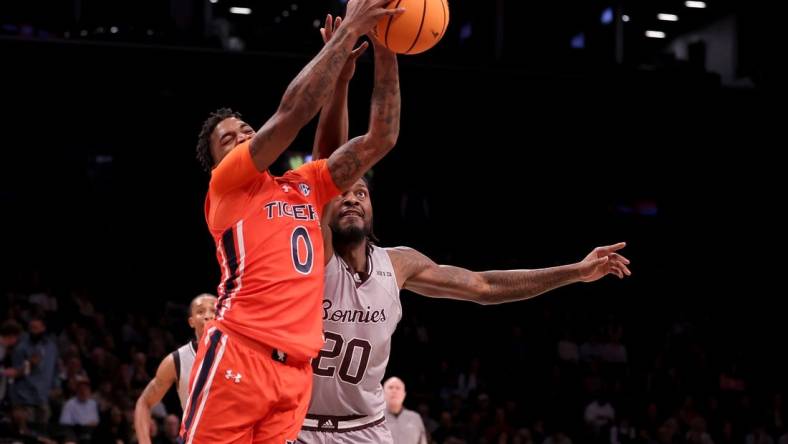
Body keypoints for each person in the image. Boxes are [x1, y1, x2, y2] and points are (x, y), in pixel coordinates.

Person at [297, 15, 632, 441]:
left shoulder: (397, 265)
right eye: (343, 193)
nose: (351, 198)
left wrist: (575, 272)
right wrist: (343, 79)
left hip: (367, 431)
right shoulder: (315, 255)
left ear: (374, 207)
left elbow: (484, 287)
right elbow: (328, 165)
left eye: (361, 194)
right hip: (302, 428)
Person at [182, 1, 404, 442]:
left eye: (245, 128)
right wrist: (346, 36)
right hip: (240, 355)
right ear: (220, 162)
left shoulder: (300, 185)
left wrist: (386, 47)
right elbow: (291, 115)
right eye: (230, 138)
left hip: (295, 376)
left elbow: (381, 138)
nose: (244, 136)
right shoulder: (226, 188)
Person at [134, 294, 217, 444]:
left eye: (214, 310)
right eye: (200, 311)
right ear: (191, 322)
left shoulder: (241, 354)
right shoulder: (177, 360)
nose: (208, 316)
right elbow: (144, 402)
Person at [383, 377, 428, 444]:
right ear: (383, 393)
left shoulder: (415, 417)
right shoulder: (376, 419)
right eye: (390, 387)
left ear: (404, 394)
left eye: (398, 388)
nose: (394, 391)